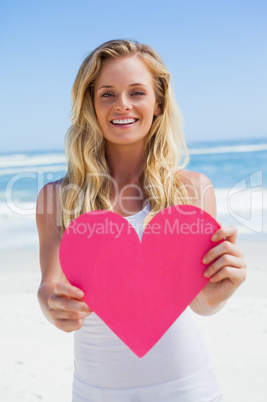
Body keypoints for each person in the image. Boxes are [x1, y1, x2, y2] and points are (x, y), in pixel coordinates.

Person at [36, 39, 246, 401]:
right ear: (90, 104)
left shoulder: (193, 192)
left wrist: (220, 293)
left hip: (187, 389)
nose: (123, 105)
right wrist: (54, 306)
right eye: (107, 94)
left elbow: (201, 304)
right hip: (95, 392)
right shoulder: (57, 198)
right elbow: (49, 286)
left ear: (158, 103)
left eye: (137, 92)